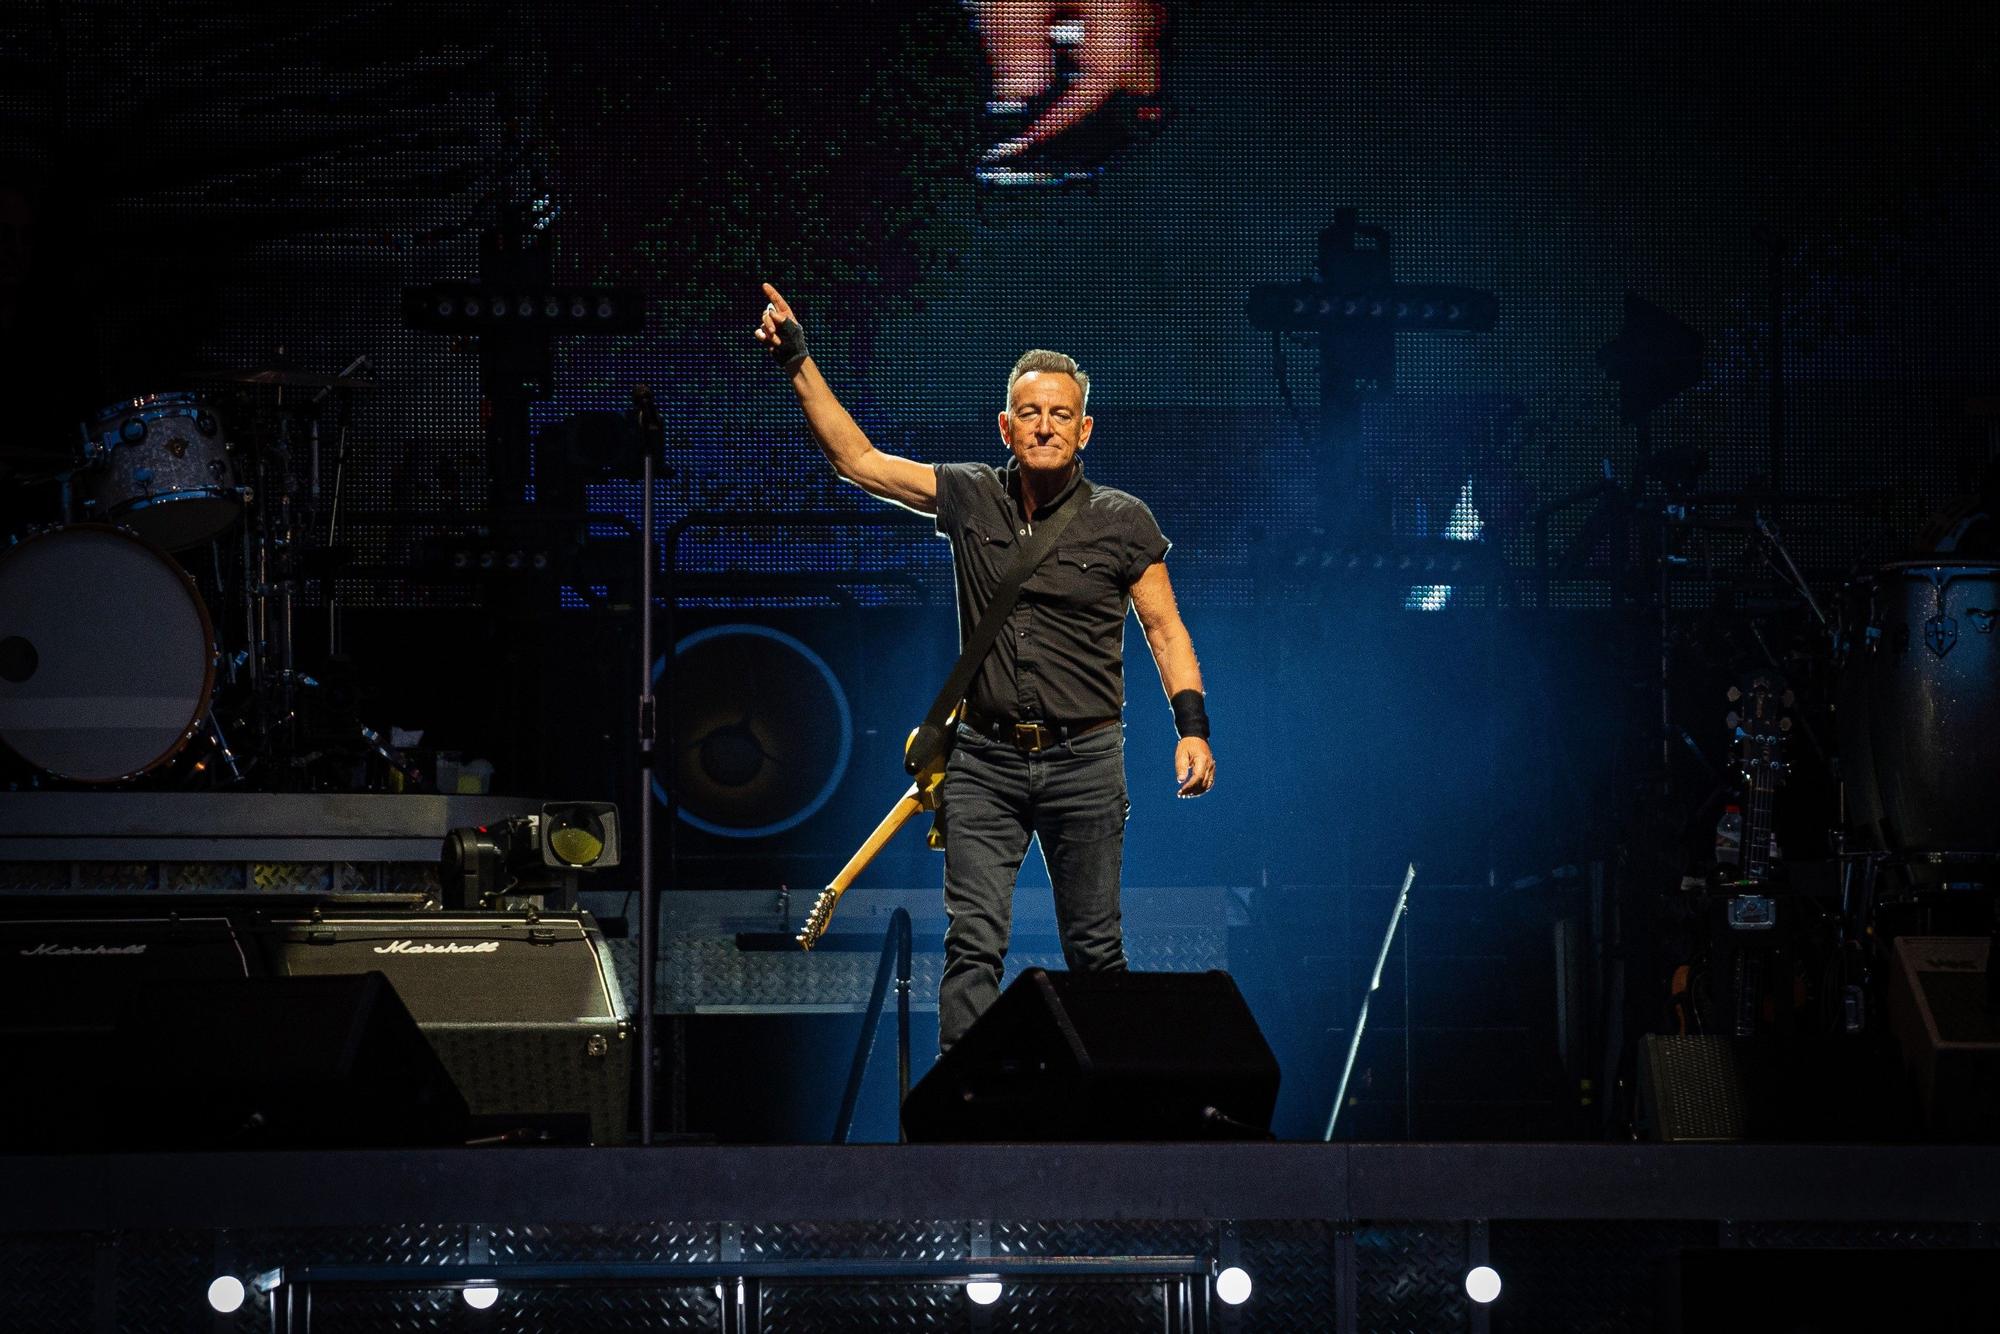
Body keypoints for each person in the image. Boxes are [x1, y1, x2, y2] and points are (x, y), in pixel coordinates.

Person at [754, 282, 1215, 1051]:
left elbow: (1165, 630)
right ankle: (963, 1123)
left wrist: (1192, 729)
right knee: (973, 951)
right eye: (1029, 413)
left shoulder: (1122, 519)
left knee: (1096, 950)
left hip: (1088, 760)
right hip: (986, 761)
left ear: (1085, 429)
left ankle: (1117, 1126)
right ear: (1006, 425)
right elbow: (858, 460)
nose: (1045, 426)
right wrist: (799, 359)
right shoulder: (971, 496)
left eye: (1060, 414)